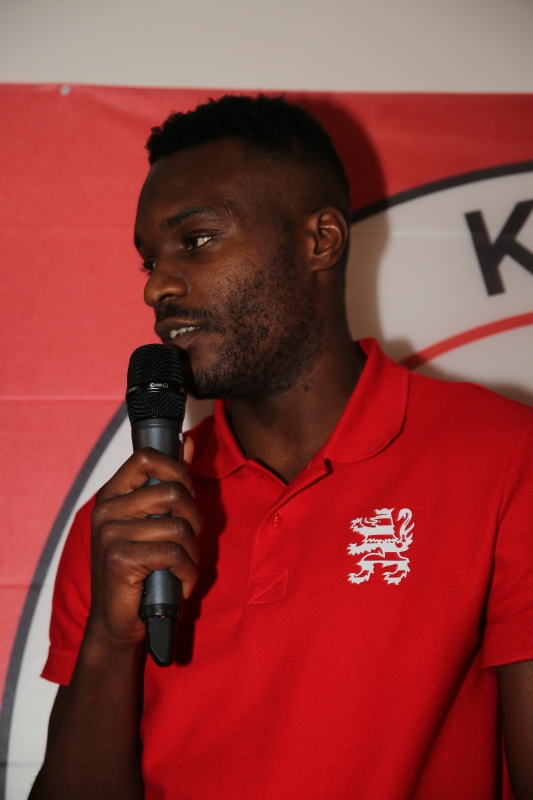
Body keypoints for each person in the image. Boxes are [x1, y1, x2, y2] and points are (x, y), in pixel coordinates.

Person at [30, 94, 533, 800]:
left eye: (195, 240)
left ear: (320, 240)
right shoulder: (122, 523)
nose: (157, 287)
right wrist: (111, 644)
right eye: (148, 262)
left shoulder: (504, 458)